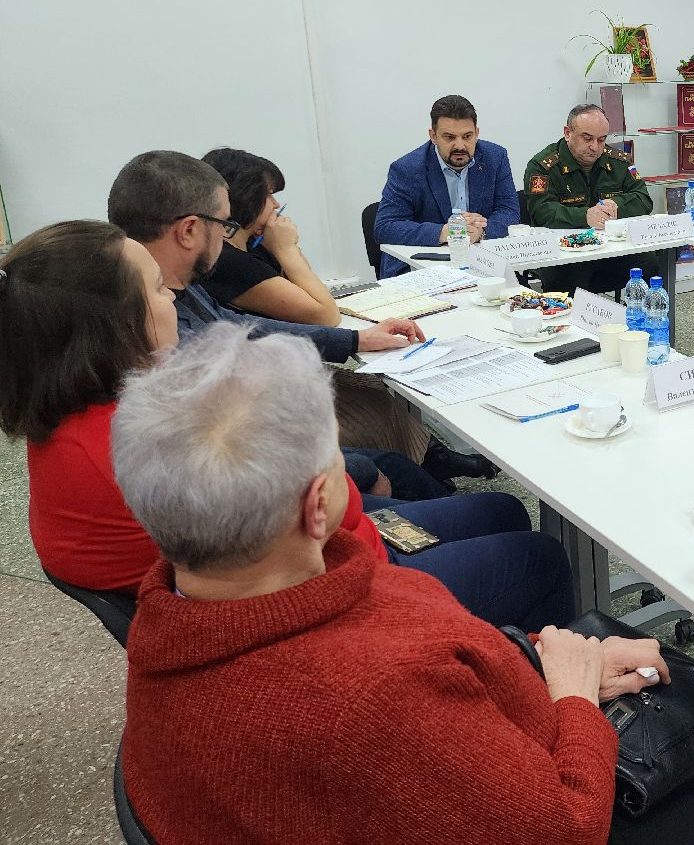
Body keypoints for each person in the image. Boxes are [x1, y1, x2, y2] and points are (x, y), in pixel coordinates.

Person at [113, 325, 694, 845]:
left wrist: (534, 663)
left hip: (441, 767)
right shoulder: (367, 695)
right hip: (534, 796)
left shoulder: (171, 630)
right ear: (320, 506)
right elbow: (565, 826)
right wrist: (572, 697)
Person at [0, 222, 574, 630]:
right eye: (156, 288)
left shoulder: (82, 417)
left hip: (306, 564)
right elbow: (326, 525)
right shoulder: (143, 437)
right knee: (539, 555)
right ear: (113, 323)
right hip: (339, 599)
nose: (173, 296)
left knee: (500, 510)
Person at [109, 149, 497, 491]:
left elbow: (237, 327)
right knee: (410, 474)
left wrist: (356, 341)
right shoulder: (156, 314)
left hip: (267, 444)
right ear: (191, 229)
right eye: (223, 225)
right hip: (262, 466)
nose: (227, 236)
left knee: (393, 451)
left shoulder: (171, 283)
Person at [374, 94, 522, 278]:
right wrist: (446, 232)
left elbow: (509, 211)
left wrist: (481, 232)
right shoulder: (407, 169)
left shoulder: (495, 157)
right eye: (449, 137)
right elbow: (385, 227)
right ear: (433, 136)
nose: (459, 145)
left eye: (467, 136)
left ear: (477, 132)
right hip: (423, 271)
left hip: (484, 265)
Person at [522, 103, 655, 295]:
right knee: (573, 272)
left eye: (601, 140)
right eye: (587, 138)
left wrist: (617, 206)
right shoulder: (542, 167)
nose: (595, 147)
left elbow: (643, 198)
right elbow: (542, 213)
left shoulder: (619, 161)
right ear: (567, 133)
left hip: (611, 249)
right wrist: (585, 216)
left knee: (651, 262)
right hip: (565, 254)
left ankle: (644, 320)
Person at [199, 147, 339, 326]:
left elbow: (309, 290)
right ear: (245, 198)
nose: (276, 204)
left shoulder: (254, 243)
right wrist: (287, 249)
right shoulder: (227, 261)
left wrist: (287, 246)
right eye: (268, 195)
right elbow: (326, 316)